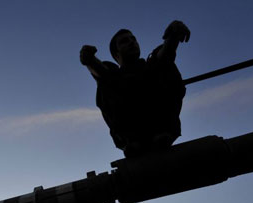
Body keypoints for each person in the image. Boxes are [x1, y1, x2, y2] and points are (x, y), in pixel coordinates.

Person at [80, 21, 190, 158]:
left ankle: (161, 132)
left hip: (162, 125)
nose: (132, 42)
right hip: (130, 134)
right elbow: (101, 73)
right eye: (124, 41)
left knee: (159, 64)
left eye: (133, 39)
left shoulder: (152, 65)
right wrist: (90, 61)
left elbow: (165, 56)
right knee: (108, 79)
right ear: (116, 54)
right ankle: (132, 139)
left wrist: (173, 36)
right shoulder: (112, 74)